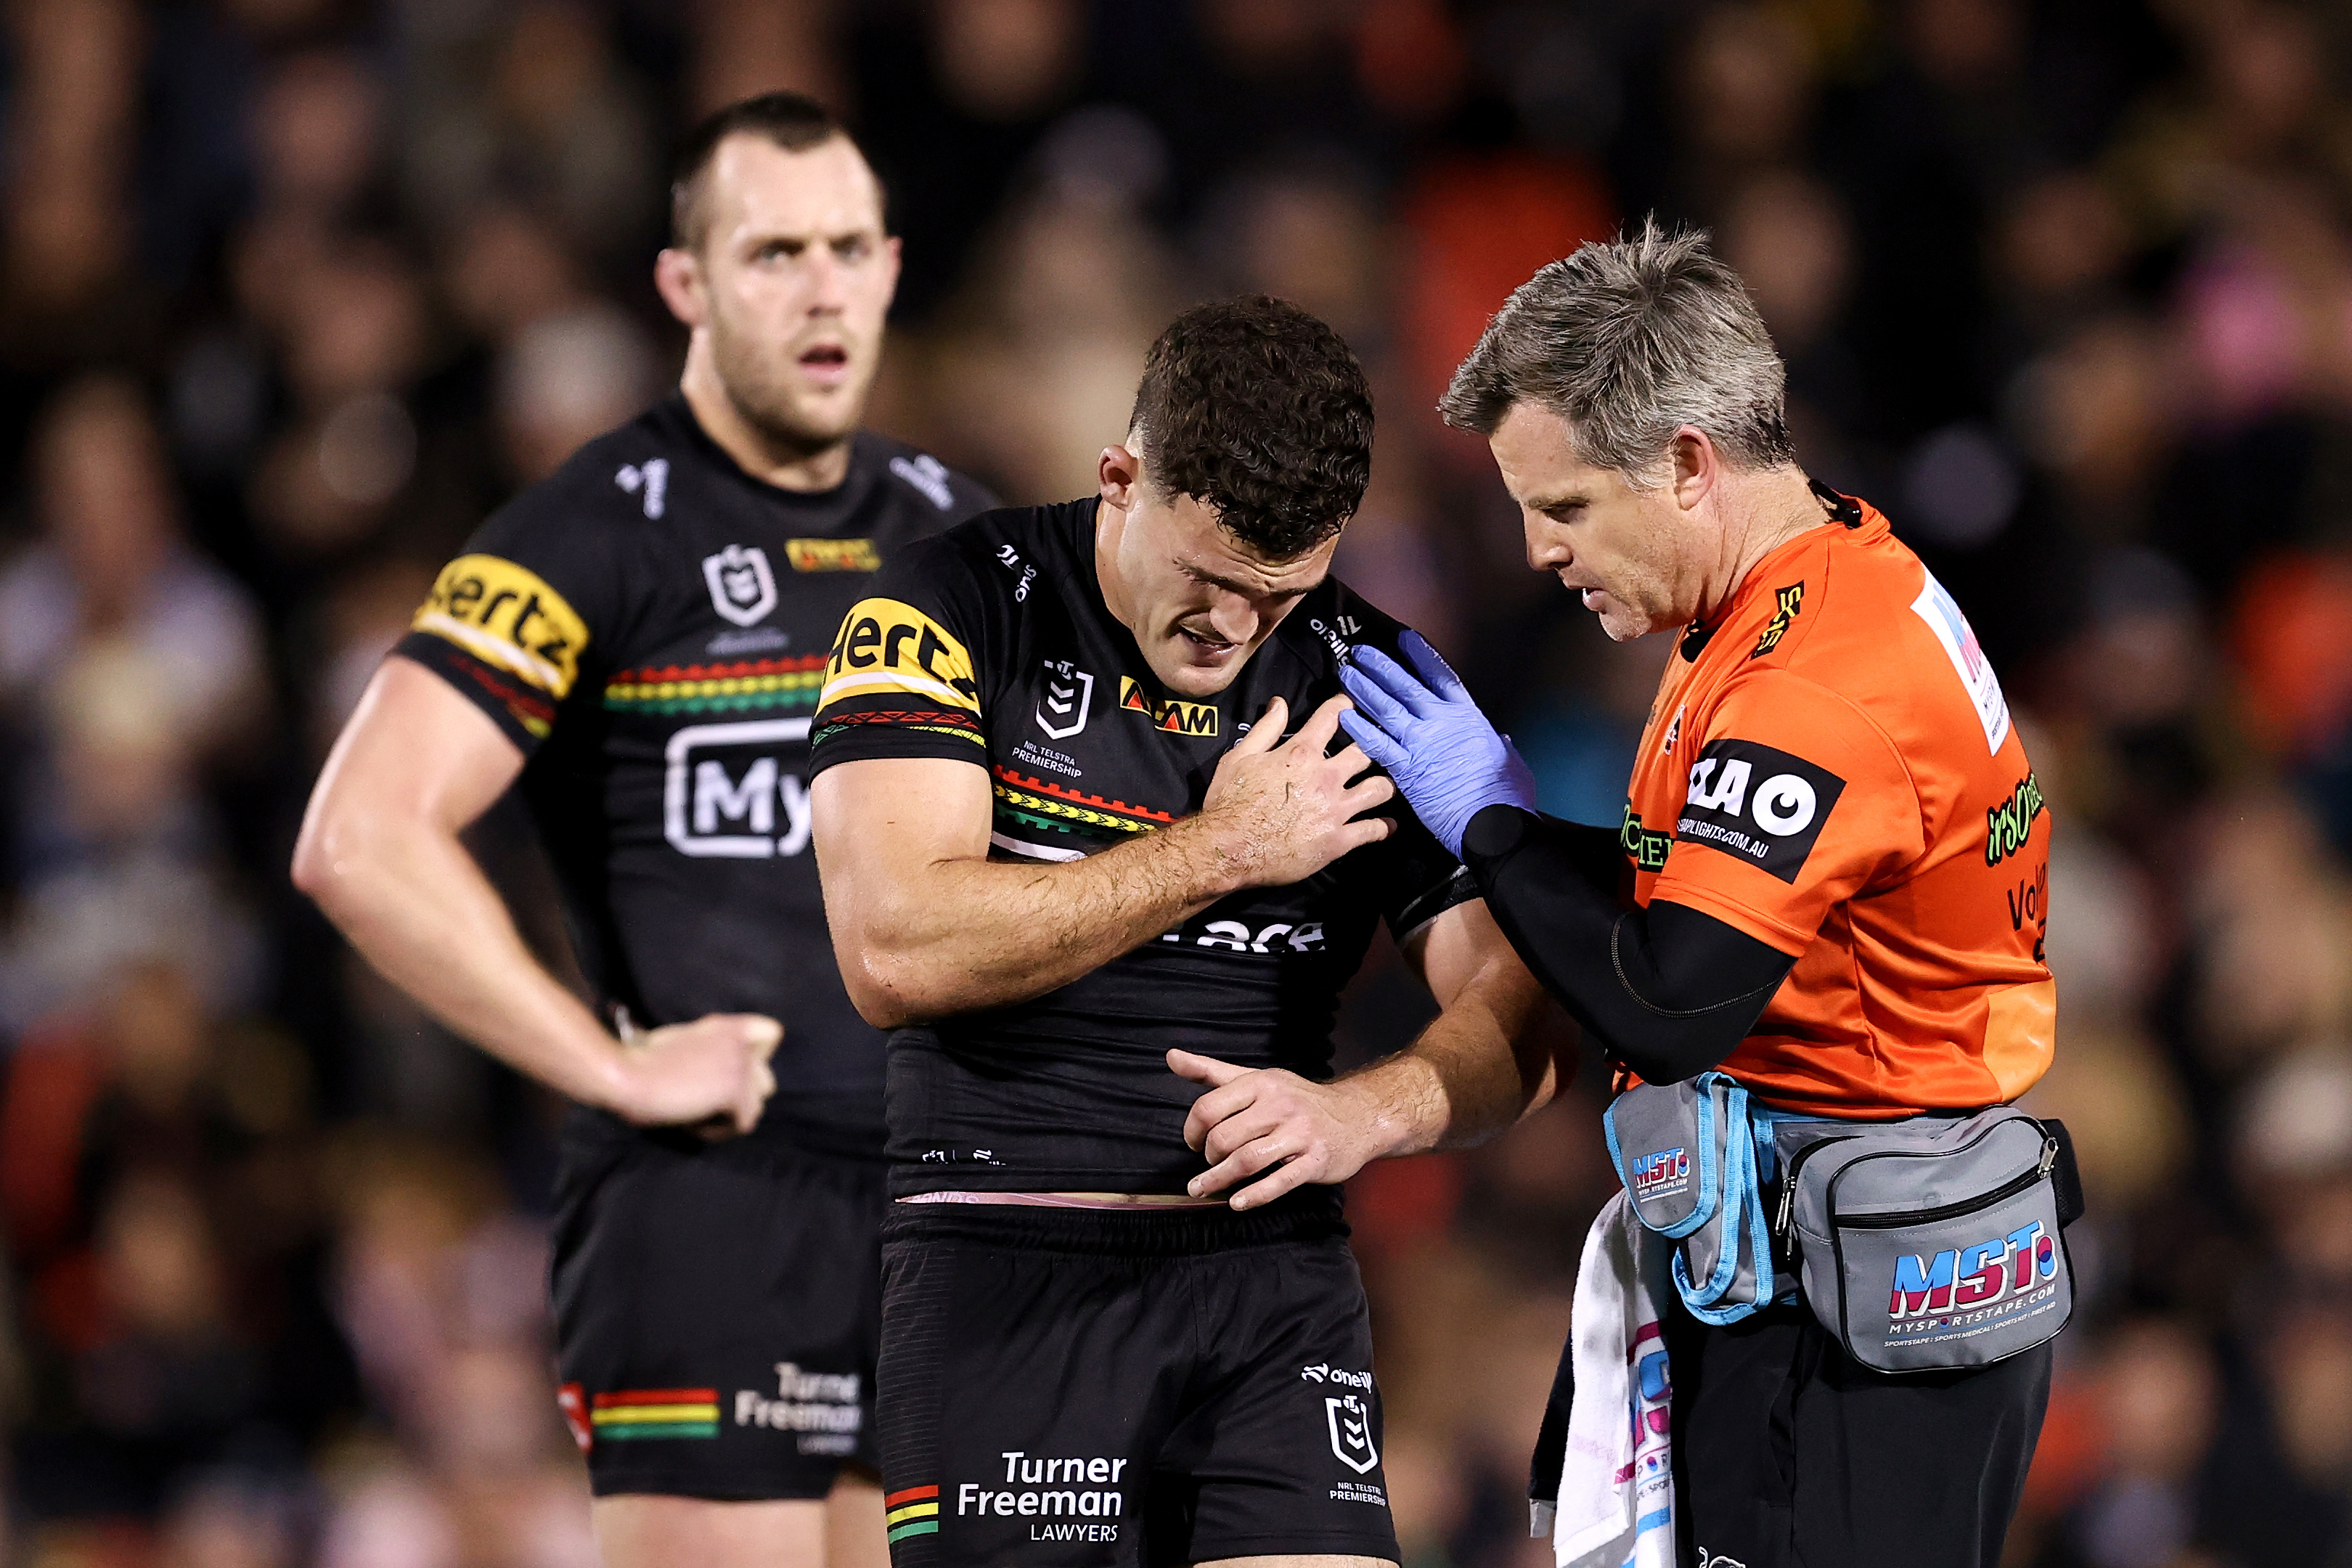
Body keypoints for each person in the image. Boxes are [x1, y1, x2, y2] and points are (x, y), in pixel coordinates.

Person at [292, 94, 994, 1568]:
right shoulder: (591, 533)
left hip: (940, 1205)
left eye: (848, 249)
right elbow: (359, 836)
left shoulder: (963, 536)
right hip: (712, 1203)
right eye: (773, 253)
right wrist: (606, 1067)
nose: (820, 290)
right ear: (686, 284)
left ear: (891, 269)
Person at [1337, 224, 2058, 1568]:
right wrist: (1506, 823)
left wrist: (1492, 823)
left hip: (1849, 1328)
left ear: (1685, 464)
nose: (1538, 552)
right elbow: (1700, 903)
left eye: (1565, 508)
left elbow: (1672, 1003)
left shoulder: (1813, 684)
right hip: (1851, 1265)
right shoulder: (1813, 575)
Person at [806, 297, 1559, 1568]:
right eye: (1208, 578)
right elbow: (894, 951)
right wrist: (1222, 852)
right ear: (1121, 479)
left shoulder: (1367, 678)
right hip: (1010, 1262)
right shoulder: (946, 609)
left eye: (1280, 593)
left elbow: (1526, 1020)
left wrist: (1362, 1116)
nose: (1235, 627)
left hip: (1274, 1280)